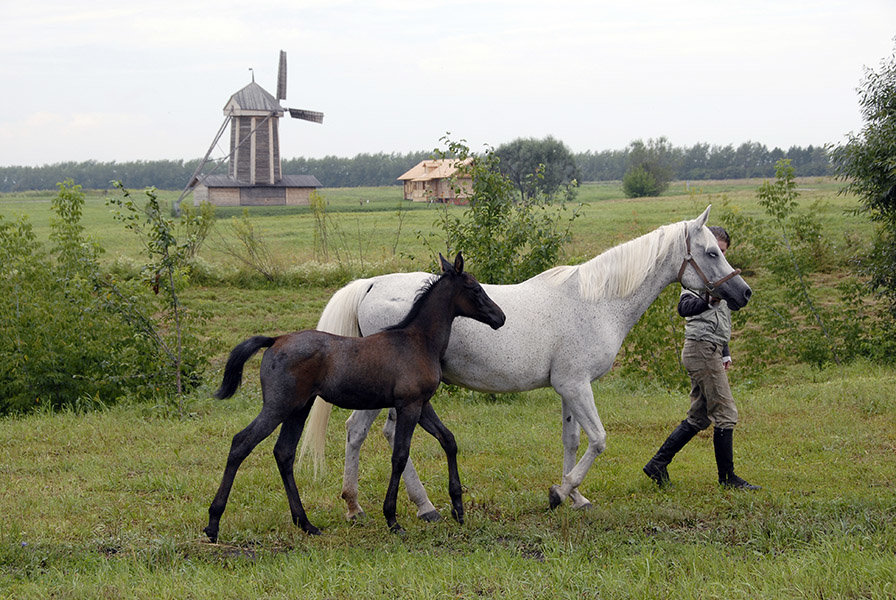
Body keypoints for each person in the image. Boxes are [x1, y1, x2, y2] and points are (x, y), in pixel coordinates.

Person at [643, 226, 760, 490]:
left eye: (724, 252)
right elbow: (684, 308)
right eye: (717, 250)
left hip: (711, 349)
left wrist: (725, 351)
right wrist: (708, 300)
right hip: (700, 349)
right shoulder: (698, 278)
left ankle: (657, 464)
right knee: (725, 413)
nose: (720, 255)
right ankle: (728, 479)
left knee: (699, 417)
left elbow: (722, 321)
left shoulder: (720, 278)